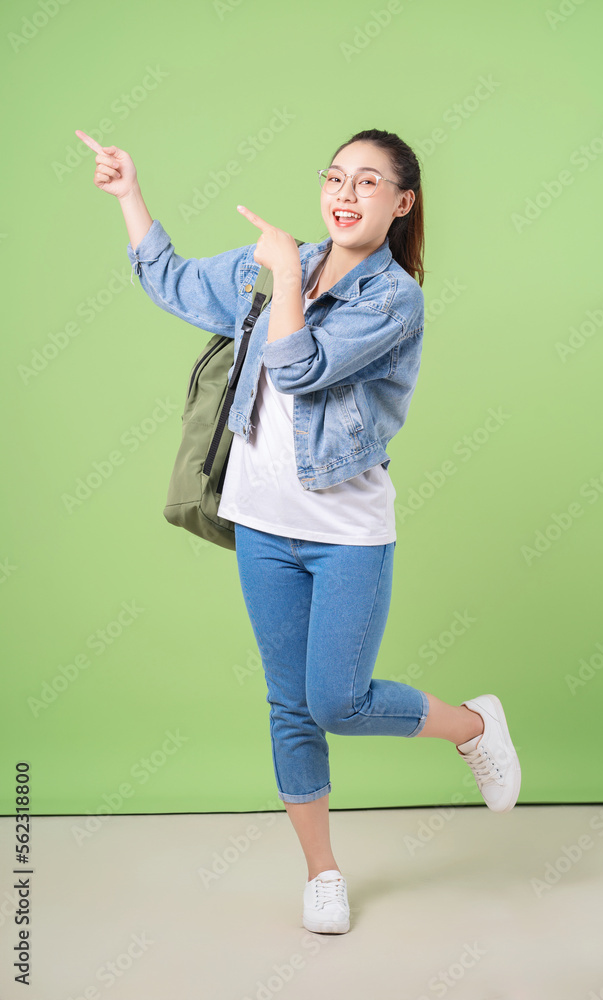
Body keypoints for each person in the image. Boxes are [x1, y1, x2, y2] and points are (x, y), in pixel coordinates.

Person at [77, 126, 521, 936]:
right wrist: (128, 195)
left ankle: (472, 724)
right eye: (333, 177)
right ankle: (322, 873)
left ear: (401, 203)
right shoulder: (287, 261)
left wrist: (285, 273)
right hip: (259, 525)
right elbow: (174, 282)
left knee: (337, 699)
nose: (345, 194)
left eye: (367, 182)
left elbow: (298, 368)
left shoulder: (393, 299)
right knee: (290, 707)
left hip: (345, 531)